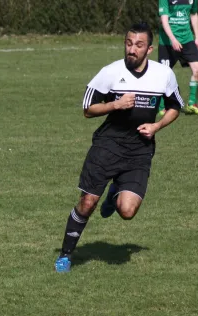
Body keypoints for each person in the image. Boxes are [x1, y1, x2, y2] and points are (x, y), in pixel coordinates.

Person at [54, 22, 185, 273]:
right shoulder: (110, 72)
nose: (131, 50)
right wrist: (115, 105)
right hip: (108, 145)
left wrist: (156, 126)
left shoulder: (163, 74)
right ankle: (65, 255)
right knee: (88, 203)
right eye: (128, 43)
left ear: (149, 49)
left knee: (127, 211)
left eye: (138, 45)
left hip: (139, 150)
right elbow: (87, 109)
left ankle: (116, 192)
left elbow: (174, 107)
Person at [158, 0, 198, 115]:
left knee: (197, 69)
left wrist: (197, 37)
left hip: (187, 39)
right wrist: (173, 39)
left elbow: (193, 14)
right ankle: (162, 106)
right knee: (163, 74)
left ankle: (192, 104)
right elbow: (164, 20)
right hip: (167, 41)